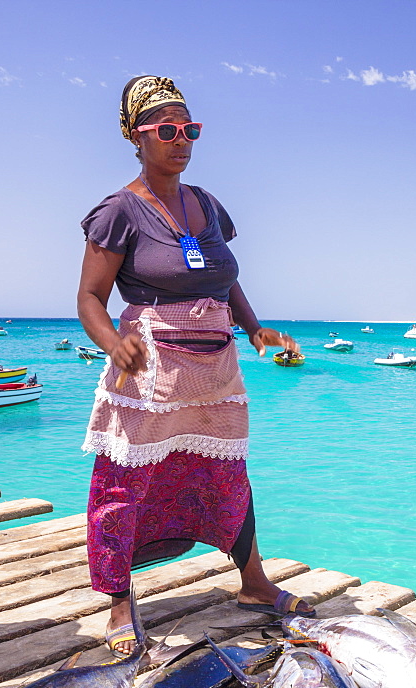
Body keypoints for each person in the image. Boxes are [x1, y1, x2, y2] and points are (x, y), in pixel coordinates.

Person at [78, 75, 316, 655]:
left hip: (215, 364)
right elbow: (89, 297)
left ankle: (254, 584)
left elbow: (224, 280)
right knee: (125, 479)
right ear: (138, 137)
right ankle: (119, 602)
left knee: (226, 473)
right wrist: (113, 343)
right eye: (167, 129)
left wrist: (255, 328)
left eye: (191, 129)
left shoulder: (207, 205)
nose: (181, 139)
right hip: (149, 364)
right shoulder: (120, 210)